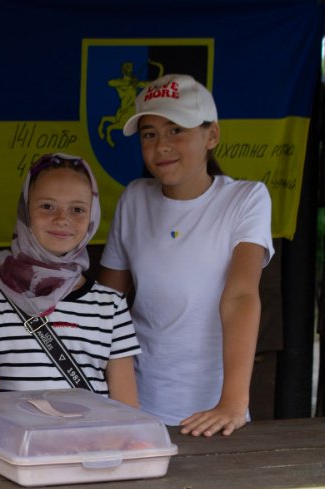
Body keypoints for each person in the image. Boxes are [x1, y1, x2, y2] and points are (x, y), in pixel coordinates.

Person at [98, 74, 274, 437]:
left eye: (175, 130)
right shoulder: (134, 198)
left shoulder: (247, 198)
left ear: (212, 136)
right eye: (149, 134)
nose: (161, 145)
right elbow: (106, 302)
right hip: (133, 404)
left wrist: (232, 403)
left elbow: (241, 295)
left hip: (213, 414)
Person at [0, 153, 141, 406]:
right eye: (47, 206)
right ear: (25, 210)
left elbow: (127, 410)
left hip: (95, 433)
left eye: (77, 209)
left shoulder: (111, 306)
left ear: (92, 218)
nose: (62, 219)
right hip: (14, 433)